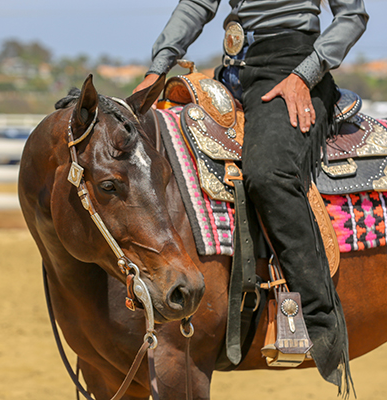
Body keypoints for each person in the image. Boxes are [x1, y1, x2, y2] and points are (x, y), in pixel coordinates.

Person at [134, 0, 369, 395]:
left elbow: (353, 16)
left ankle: (317, 316)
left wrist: (306, 75)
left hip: (291, 69)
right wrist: (158, 67)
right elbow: (196, 4)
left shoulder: (301, 71)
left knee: (266, 174)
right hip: (231, 72)